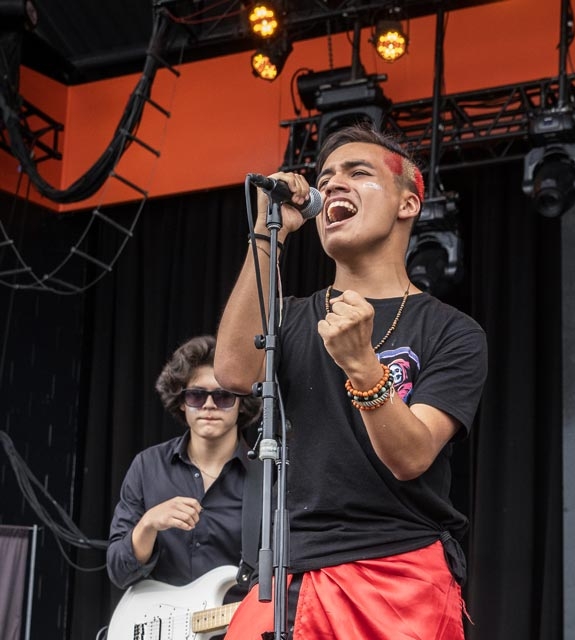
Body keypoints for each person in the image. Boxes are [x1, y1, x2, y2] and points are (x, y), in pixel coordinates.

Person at [214, 125, 487, 639]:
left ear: (409, 203)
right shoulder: (292, 318)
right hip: (288, 572)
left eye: (358, 173)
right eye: (326, 177)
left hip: (396, 572)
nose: (334, 183)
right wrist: (265, 230)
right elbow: (233, 372)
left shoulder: (453, 332)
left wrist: (363, 365)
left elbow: (411, 457)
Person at [107, 335, 260, 592]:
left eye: (223, 397)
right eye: (196, 396)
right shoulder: (147, 466)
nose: (209, 405)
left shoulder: (268, 477)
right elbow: (118, 572)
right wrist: (148, 524)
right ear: (181, 403)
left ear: (241, 403)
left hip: (235, 625)